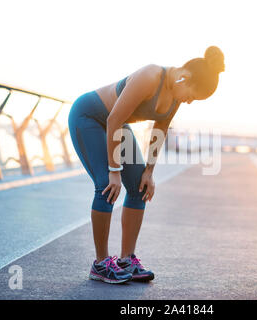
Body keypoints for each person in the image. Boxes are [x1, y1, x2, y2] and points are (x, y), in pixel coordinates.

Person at [68, 46, 225, 284]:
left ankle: (126, 260)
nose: (190, 102)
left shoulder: (176, 95)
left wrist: (149, 172)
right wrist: (114, 171)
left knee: (139, 186)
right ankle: (100, 264)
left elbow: (159, 130)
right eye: (192, 96)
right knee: (106, 186)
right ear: (185, 77)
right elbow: (114, 119)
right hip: (89, 116)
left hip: (116, 125)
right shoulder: (151, 76)